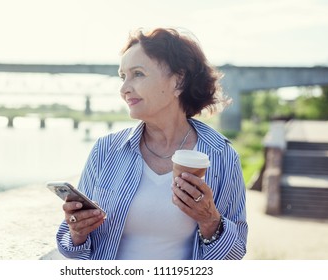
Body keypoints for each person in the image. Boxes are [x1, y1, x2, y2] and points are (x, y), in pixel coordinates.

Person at [56, 27, 248, 260]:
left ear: (179, 81)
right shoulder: (106, 150)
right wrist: (77, 232)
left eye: (138, 74)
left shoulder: (222, 155)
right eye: (122, 76)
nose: (124, 88)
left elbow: (236, 253)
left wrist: (210, 220)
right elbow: (73, 247)